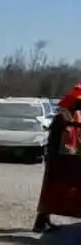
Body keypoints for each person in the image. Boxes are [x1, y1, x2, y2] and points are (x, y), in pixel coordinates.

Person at [34, 84, 81, 232]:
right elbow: (61, 135)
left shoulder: (72, 115)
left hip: (64, 157)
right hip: (57, 158)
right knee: (51, 189)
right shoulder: (62, 116)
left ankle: (43, 220)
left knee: (54, 191)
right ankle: (40, 222)